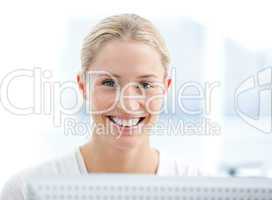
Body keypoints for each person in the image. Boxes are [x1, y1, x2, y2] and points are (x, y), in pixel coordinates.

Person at [0, 13, 205, 200]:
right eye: (109, 83)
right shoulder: (25, 191)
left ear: (165, 88)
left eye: (145, 85)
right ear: (83, 86)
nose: (128, 105)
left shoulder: (200, 191)